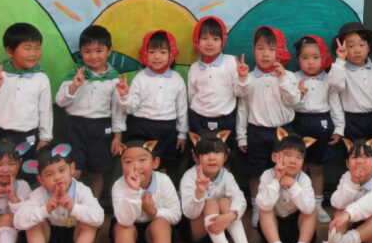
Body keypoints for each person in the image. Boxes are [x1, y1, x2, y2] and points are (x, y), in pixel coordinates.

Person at [235, 26, 299, 226]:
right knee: (256, 172)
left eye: (271, 49)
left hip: (284, 131)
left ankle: (282, 207)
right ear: (253, 50)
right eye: (260, 48)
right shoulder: (249, 78)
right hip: (257, 132)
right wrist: (241, 135)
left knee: (284, 169)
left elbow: (294, 101)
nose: (265, 54)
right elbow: (243, 109)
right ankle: (257, 208)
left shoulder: (288, 76)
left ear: (279, 52)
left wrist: (282, 78)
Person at [11, 145, 103, 243]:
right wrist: (45, 210)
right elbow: (18, 222)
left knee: (90, 223)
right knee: (34, 221)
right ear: (40, 179)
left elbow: (99, 218)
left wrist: (74, 207)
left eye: (62, 170)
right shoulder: (38, 194)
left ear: (72, 169)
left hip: (75, 242)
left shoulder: (82, 191)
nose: (57, 177)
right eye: (49, 174)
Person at [55, 24, 125, 198]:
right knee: (74, 170)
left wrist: (117, 137)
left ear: (109, 51)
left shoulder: (114, 78)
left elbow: (117, 110)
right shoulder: (75, 74)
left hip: (102, 128)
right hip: (76, 127)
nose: (93, 56)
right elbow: (60, 102)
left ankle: (93, 207)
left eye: (99, 51)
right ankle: (69, 207)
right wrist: (74, 86)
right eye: (87, 51)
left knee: (97, 173)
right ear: (81, 52)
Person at [178, 131, 260, 243]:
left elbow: (240, 199)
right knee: (211, 203)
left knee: (226, 202)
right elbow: (190, 213)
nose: (212, 157)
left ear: (225, 157)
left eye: (217, 152)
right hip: (196, 231)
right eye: (205, 153)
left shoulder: (226, 175)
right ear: (195, 158)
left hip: (220, 227)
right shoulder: (189, 177)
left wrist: (230, 216)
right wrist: (200, 192)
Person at [111, 140, 182, 243]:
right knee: (123, 227)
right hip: (128, 238)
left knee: (161, 221)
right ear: (121, 165)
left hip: (155, 237)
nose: (135, 166)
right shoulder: (119, 185)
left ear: (155, 163)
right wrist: (133, 191)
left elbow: (176, 215)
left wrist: (153, 212)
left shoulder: (163, 180)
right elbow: (124, 220)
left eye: (142, 160)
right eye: (128, 162)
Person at [117, 29, 188, 177]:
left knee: (164, 165)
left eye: (163, 52)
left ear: (171, 54)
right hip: (141, 127)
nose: (157, 57)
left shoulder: (177, 79)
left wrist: (182, 134)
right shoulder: (140, 78)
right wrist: (125, 96)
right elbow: (130, 108)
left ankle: (162, 190)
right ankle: (140, 190)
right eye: (152, 52)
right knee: (142, 164)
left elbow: (182, 109)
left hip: (167, 129)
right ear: (145, 54)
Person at [291, 34, 343, 224]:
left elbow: (335, 104)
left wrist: (339, 129)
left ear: (324, 58)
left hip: (322, 124)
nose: (310, 62)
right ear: (298, 60)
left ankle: (317, 204)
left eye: (315, 57)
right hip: (298, 123)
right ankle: (297, 204)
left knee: (317, 167)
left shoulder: (329, 80)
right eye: (305, 58)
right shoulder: (293, 78)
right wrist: (299, 94)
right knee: (298, 166)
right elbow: (289, 105)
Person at [0, 23, 52, 150]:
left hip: (28, 136)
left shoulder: (41, 78)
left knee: (28, 163)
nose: (34, 53)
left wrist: (45, 137)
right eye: (28, 48)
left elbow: (45, 110)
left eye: (37, 48)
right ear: (10, 51)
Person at [328, 22, 372, 165]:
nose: (357, 50)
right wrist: (340, 60)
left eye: (361, 45)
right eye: (351, 46)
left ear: (368, 47)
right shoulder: (341, 70)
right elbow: (334, 85)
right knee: (355, 154)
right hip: (353, 120)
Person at [256, 129, 319, 243]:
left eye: (299, 157)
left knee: (312, 210)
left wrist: (292, 184)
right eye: (288, 155)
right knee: (265, 209)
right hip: (273, 232)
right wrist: (276, 180)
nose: (293, 161)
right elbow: (264, 205)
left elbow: (308, 208)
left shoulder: (303, 179)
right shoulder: (267, 175)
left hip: (297, 230)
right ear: (275, 156)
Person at [186, 16, 239, 147]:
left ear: (222, 41)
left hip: (226, 120)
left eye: (215, 39)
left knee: (224, 151)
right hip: (198, 120)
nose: (210, 43)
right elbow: (191, 95)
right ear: (197, 41)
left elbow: (240, 91)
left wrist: (243, 78)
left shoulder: (231, 62)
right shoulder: (194, 68)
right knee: (200, 151)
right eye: (204, 38)